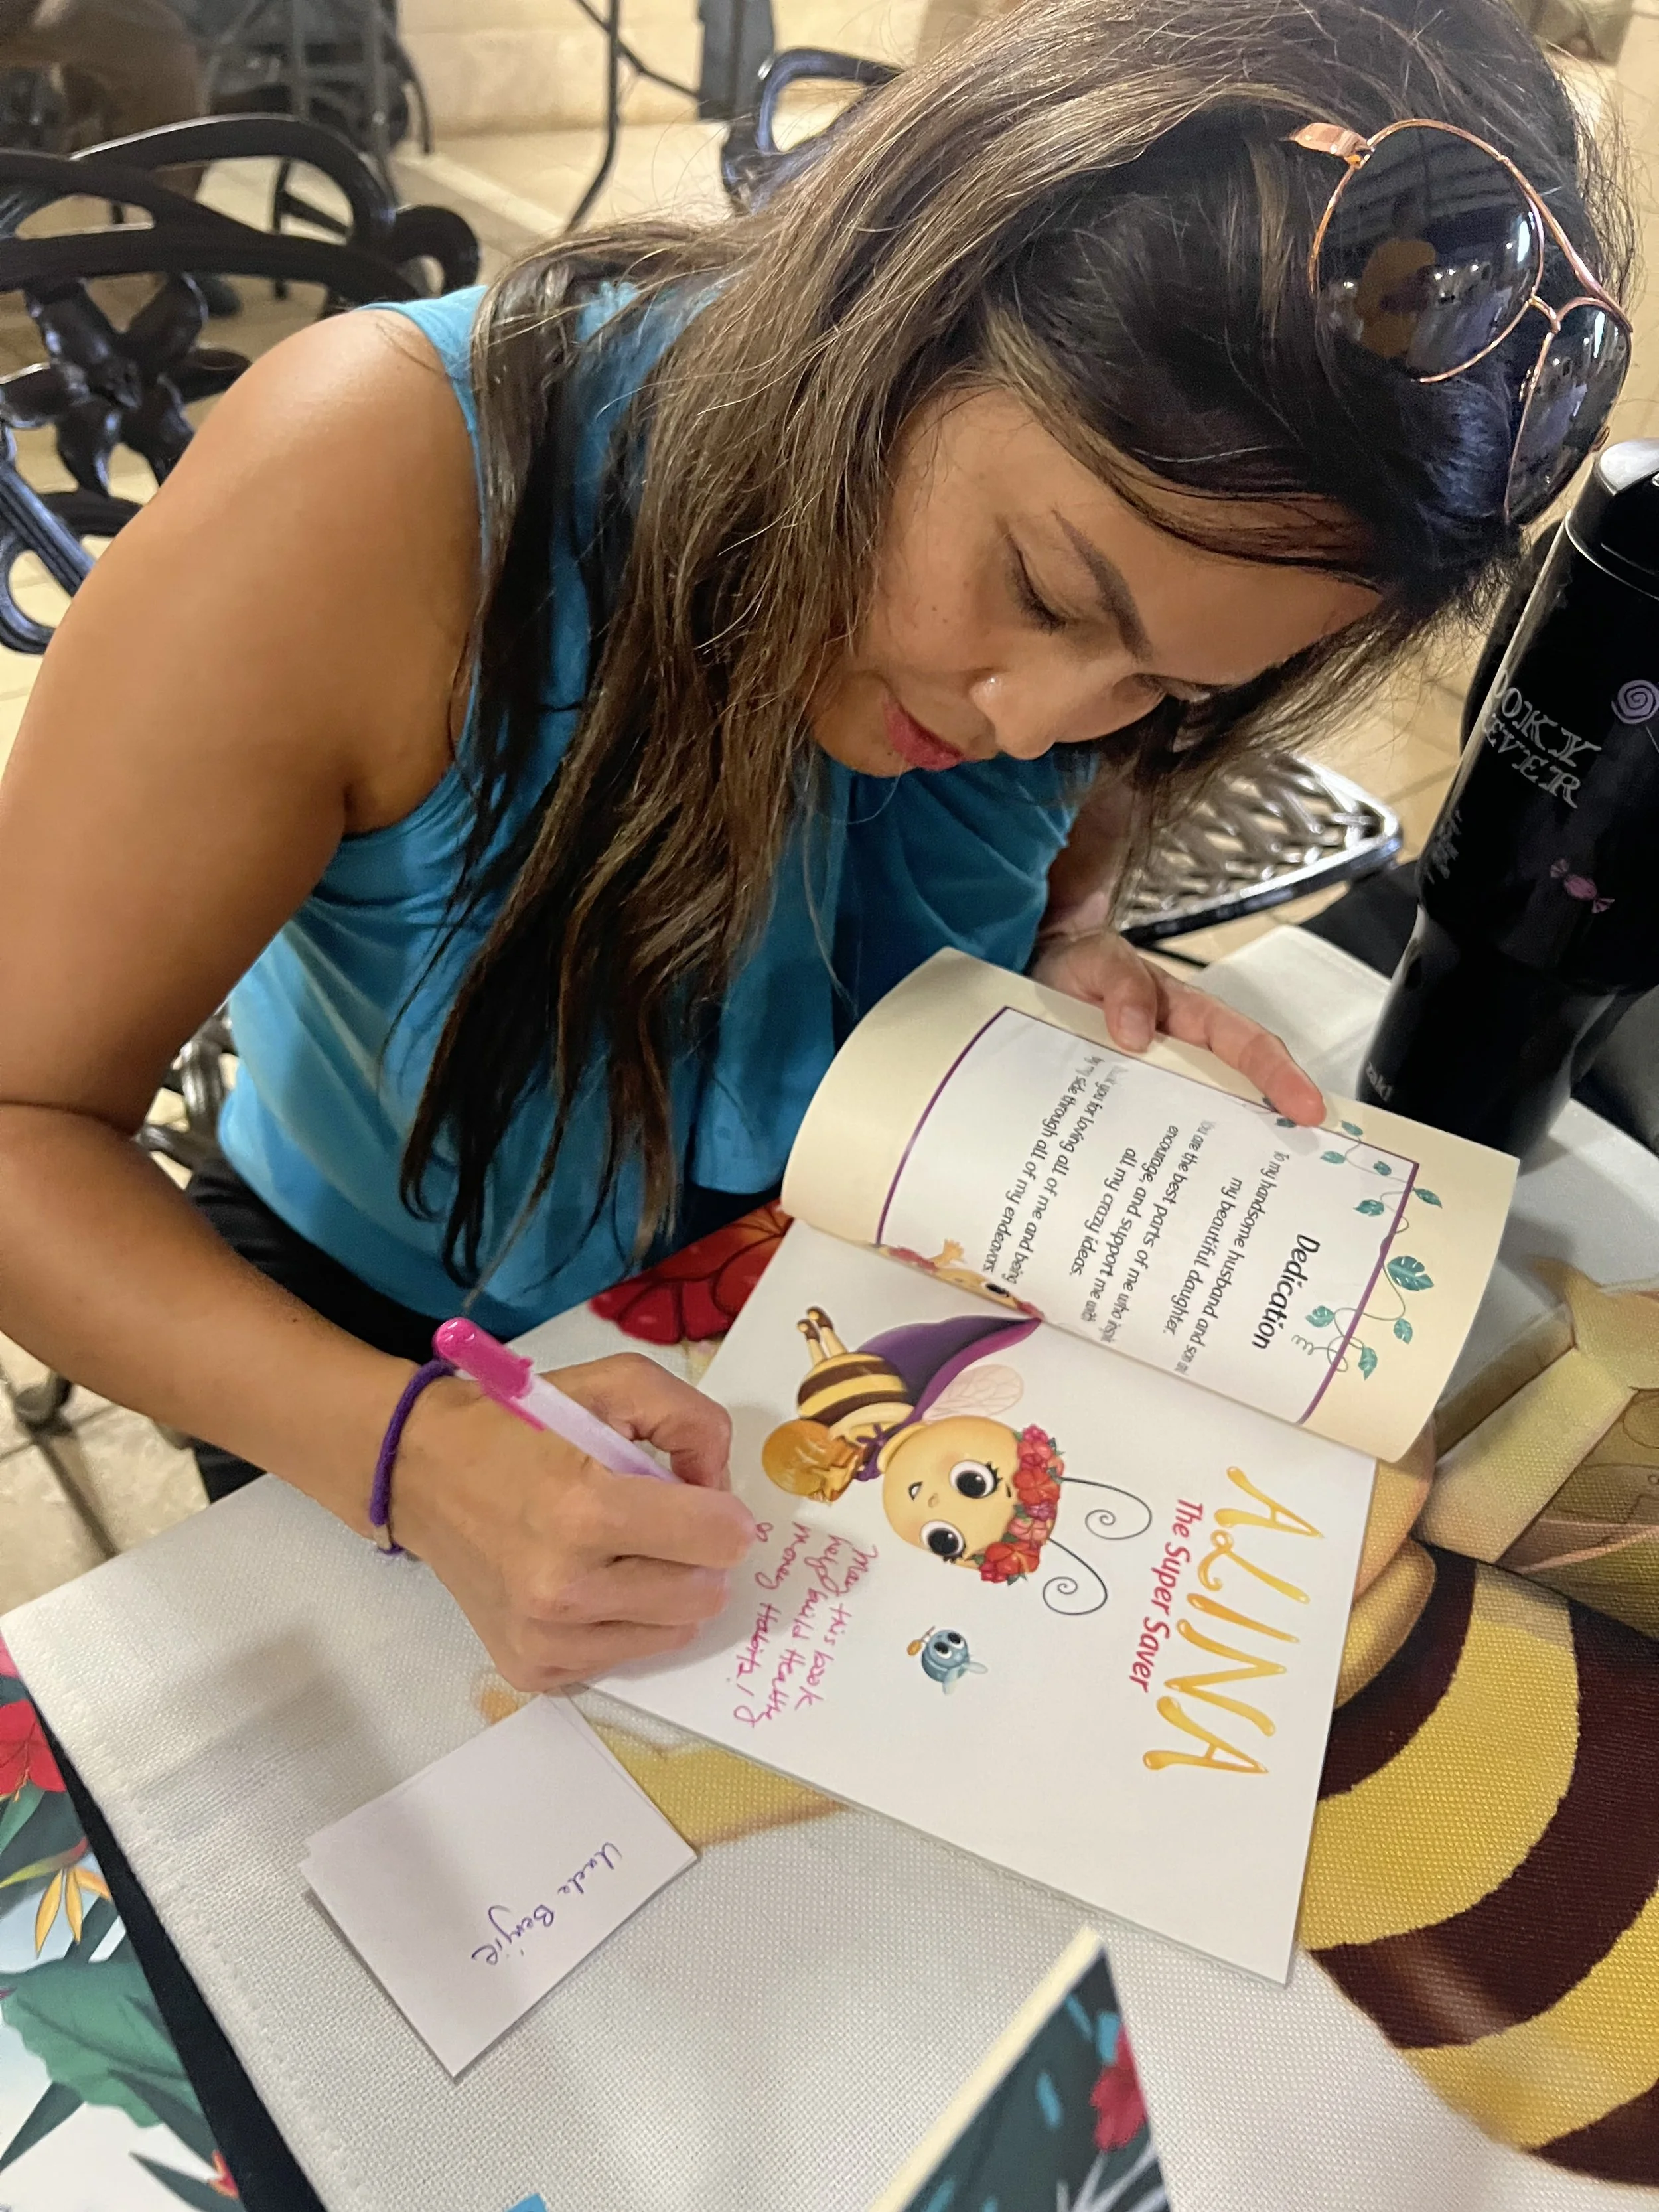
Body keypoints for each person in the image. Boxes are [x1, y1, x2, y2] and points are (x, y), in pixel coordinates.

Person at [0, 0, 1630, 1696]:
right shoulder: (375, 483)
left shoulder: (1076, 666)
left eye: (1164, 683)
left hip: (823, 1272)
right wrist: (408, 1451)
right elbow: (21, 1130)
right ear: (898, 305)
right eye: (1050, 595)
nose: (1036, 722)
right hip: (381, 1321)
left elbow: (1091, 771)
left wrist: (1071, 934)